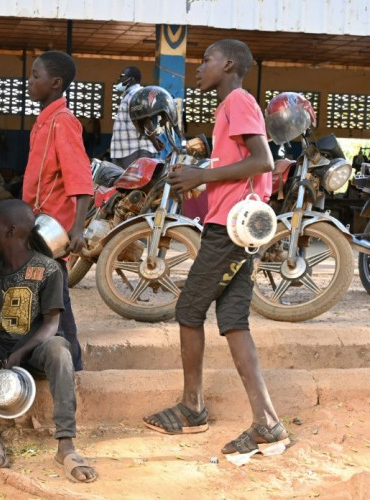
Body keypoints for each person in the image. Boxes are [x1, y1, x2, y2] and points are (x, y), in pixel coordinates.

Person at [144, 39, 290, 457]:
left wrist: (201, 177)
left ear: (227, 64)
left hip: (230, 229)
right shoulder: (229, 106)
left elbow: (262, 160)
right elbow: (246, 163)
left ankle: (193, 408)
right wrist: (201, 171)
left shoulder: (238, 101)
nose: (198, 67)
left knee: (189, 310)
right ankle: (268, 424)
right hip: (237, 227)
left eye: (205, 60)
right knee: (233, 320)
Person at [0, 199, 97, 483]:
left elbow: (51, 325)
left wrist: (21, 352)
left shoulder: (49, 269)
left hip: (35, 352)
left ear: (10, 231)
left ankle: (66, 445)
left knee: (59, 348)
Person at [22, 50, 93, 371]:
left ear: (55, 83)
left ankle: (70, 367)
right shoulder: (44, 123)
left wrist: (78, 228)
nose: (29, 81)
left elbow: (80, 178)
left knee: (55, 304)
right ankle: (61, 363)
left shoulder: (63, 123)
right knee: (50, 303)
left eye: (35, 76)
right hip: (35, 230)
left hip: (52, 234)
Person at [109, 66, 157, 168]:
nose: (118, 79)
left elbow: (146, 121)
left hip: (135, 151)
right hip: (126, 150)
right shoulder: (128, 95)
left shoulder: (136, 94)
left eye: (122, 76)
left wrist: (155, 143)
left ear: (132, 79)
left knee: (134, 183)